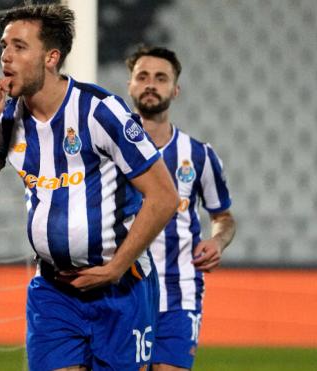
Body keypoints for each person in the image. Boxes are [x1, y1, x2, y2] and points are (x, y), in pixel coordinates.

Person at [0, 3, 178, 371]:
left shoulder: (101, 111)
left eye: (20, 47)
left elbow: (165, 197)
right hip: (54, 292)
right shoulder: (6, 118)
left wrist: (117, 266)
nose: (5, 56)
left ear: (51, 57)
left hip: (121, 289)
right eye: (4, 46)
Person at [125, 45, 237, 371]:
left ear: (175, 89)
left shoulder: (199, 155)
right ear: (130, 85)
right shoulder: (109, 148)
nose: (150, 84)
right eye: (142, 76)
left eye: (161, 78)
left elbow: (224, 217)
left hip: (179, 290)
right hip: (123, 289)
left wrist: (217, 241)